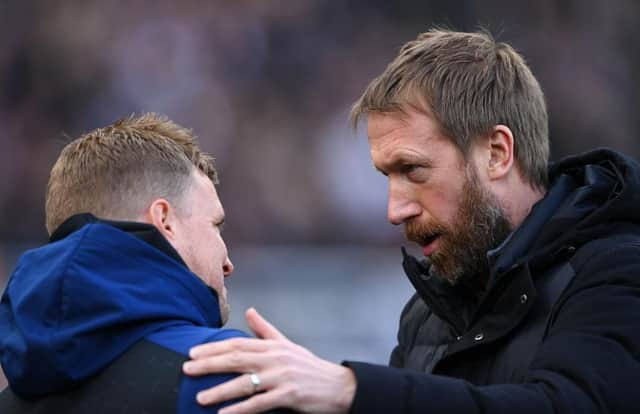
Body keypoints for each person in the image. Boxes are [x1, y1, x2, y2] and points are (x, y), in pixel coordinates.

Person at [180, 29, 640, 413]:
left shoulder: (616, 270)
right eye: (386, 176)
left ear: (496, 153)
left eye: (413, 171)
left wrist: (349, 390)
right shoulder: (427, 313)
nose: (394, 209)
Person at [0, 114, 272, 413]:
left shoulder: (10, 399)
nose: (228, 263)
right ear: (164, 220)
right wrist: (333, 386)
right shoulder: (227, 377)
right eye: (216, 225)